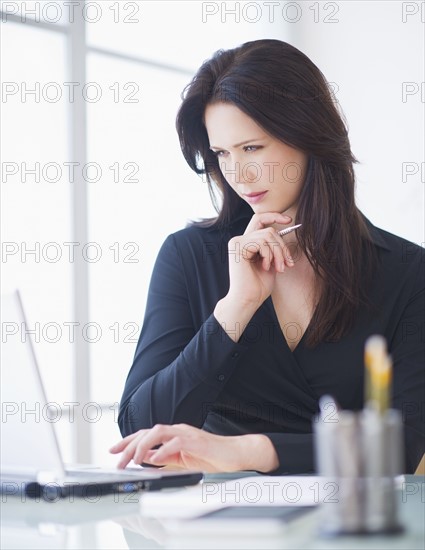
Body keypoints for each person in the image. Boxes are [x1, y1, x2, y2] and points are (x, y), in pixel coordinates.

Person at [110, 39, 424, 474]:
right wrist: (234, 310)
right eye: (222, 154)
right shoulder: (187, 256)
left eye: (252, 148)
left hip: (345, 527)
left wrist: (249, 451)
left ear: (308, 136)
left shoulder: (407, 271)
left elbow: (399, 450)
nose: (238, 175)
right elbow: (140, 428)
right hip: (211, 527)